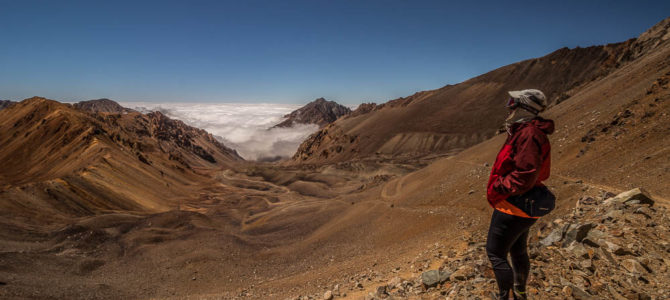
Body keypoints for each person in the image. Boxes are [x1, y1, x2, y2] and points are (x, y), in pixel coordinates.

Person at [485, 89, 554, 299]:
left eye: (512, 102)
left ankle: (504, 296)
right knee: (518, 249)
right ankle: (520, 293)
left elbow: (525, 173)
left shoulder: (528, 134)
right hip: (527, 202)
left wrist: (499, 187)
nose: (509, 107)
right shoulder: (529, 131)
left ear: (523, 106)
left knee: (495, 252)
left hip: (514, 203)